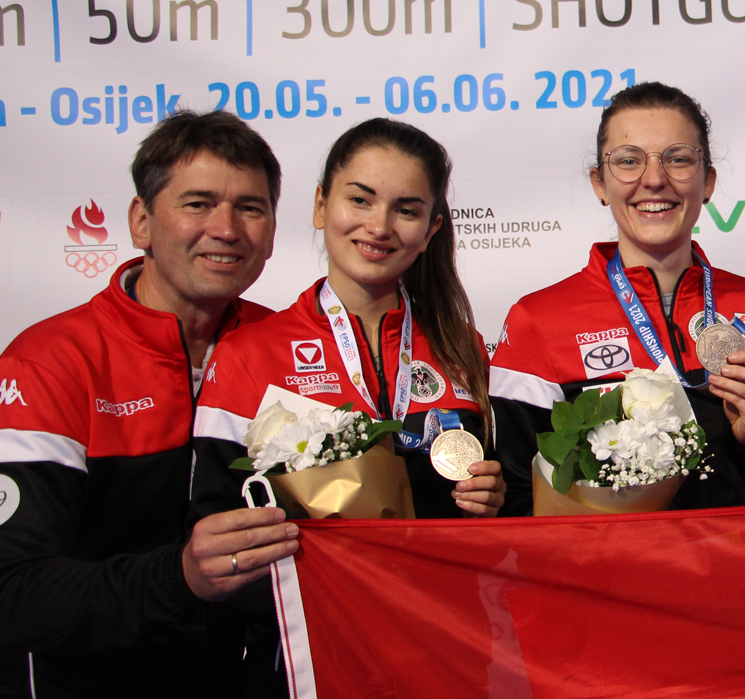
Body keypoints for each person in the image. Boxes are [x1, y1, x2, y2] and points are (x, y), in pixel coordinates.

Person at [0, 111, 299, 697]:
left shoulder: (291, 351)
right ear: (141, 221)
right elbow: (5, 594)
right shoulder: (48, 362)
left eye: (250, 208)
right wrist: (180, 577)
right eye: (197, 203)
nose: (226, 229)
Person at [189, 118, 508, 691]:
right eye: (359, 199)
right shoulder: (248, 355)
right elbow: (211, 522)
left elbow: (496, 515)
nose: (379, 226)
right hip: (306, 661)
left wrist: (494, 499)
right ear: (320, 205)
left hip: (445, 653)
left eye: (406, 210)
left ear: (432, 228)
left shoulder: (464, 348)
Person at [490, 82, 745, 513]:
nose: (655, 179)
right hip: (605, 577)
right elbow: (516, 499)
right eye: (628, 161)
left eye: (678, 159)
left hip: (741, 574)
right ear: (599, 183)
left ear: (708, 180)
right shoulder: (539, 320)